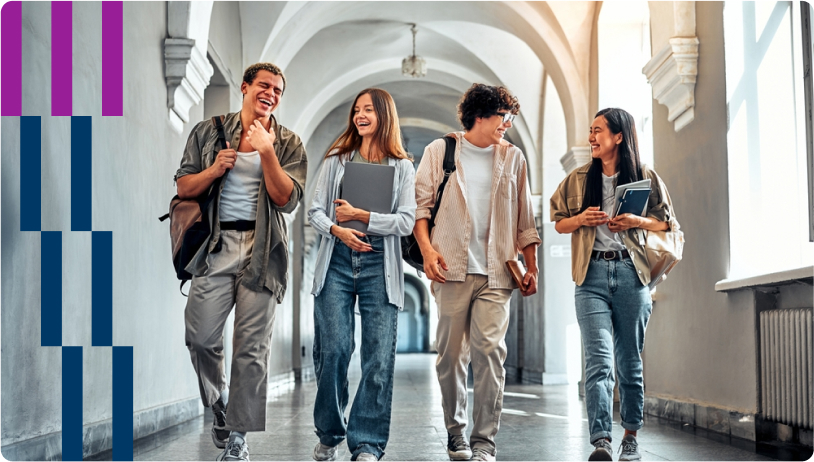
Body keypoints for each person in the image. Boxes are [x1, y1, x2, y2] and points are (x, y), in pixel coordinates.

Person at [175, 62, 308, 462]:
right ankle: (219, 403)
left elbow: (288, 201)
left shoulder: (287, 142)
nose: (271, 94)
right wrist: (215, 168)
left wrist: (266, 152)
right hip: (215, 247)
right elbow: (183, 186)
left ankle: (238, 438)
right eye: (264, 86)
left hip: (262, 251)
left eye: (278, 90)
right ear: (245, 87)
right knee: (200, 338)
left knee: (251, 349)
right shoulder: (208, 130)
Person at [413, 83, 541, 462]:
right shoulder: (441, 151)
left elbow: (525, 218)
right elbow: (421, 210)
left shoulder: (513, 158)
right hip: (450, 268)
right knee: (451, 356)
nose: (508, 123)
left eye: (511, 117)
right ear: (481, 115)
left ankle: (484, 440)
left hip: (497, 272)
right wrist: (427, 251)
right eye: (504, 116)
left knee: (490, 352)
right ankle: (456, 432)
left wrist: (531, 265)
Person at [550, 108, 680, 461]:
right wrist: (580, 219)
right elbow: (558, 223)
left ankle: (631, 436)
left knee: (629, 362)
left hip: (631, 275)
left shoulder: (645, 177)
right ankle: (601, 441)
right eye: (590, 131)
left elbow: (670, 226)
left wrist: (638, 220)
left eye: (598, 131)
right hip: (590, 277)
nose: (591, 137)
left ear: (618, 137)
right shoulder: (578, 179)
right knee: (599, 361)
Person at [307, 88, 416, 462]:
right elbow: (315, 211)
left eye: (368, 109)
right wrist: (338, 229)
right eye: (357, 110)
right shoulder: (337, 160)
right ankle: (330, 432)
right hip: (336, 261)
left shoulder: (402, 166)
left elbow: (405, 222)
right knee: (334, 350)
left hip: (378, 267)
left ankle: (367, 444)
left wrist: (364, 216)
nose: (360, 115)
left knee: (378, 358)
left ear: (384, 115)